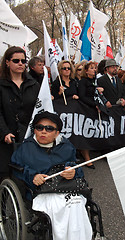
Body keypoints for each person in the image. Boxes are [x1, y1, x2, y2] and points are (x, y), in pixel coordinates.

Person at [11, 111, 93, 240]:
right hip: (42, 191)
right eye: (39, 127)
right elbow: (16, 169)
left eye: (49, 128)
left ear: (57, 133)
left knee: (76, 204)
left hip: (67, 187)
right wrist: (33, 176)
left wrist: (73, 171)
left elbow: (77, 167)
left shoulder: (66, 147)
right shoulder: (26, 147)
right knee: (58, 208)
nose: (43, 131)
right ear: (35, 130)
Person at [0, 46, 40, 179]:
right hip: (6, 137)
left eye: (23, 61)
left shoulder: (34, 84)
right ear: (7, 62)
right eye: (16, 61)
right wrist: (4, 132)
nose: (20, 64)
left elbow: (39, 109)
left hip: (28, 134)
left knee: (28, 172)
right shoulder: (1, 84)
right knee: (5, 173)